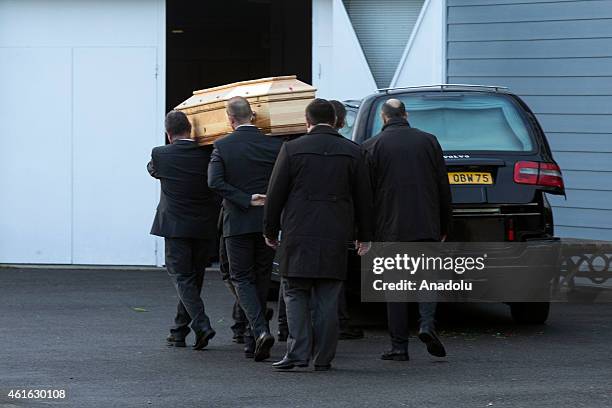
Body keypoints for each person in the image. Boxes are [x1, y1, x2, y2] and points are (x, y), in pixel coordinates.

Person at [264, 98, 373, 371]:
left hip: (298, 231)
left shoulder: (292, 149)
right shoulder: (354, 151)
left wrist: (269, 229)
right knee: (328, 295)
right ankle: (323, 357)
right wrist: (365, 234)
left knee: (295, 292)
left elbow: (275, 195)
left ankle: (297, 353)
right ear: (336, 120)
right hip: (336, 232)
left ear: (307, 120)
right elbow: (364, 197)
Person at [363, 98, 452, 361]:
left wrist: (364, 232)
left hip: (390, 229)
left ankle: (399, 347)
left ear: (383, 117)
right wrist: (445, 224)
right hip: (426, 223)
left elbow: (366, 195)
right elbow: (442, 186)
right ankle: (426, 324)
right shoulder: (428, 141)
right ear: (406, 114)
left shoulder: (371, 146)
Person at [208, 96, 282, 362]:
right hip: (266, 222)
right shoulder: (275, 145)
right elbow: (282, 181)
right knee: (262, 277)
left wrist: (244, 198)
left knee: (241, 278)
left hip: (237, 222)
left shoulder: (222, 146)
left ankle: (260, 331)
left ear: (229, 119)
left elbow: (214, 182)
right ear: (253, 116)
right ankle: (253, 341)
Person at [148, 110, 220, 350]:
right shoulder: (209, 153)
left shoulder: (160, 154)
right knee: (194, 277)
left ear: (169, 134)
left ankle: (201, 324)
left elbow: (153, 169)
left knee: (182, 277)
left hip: (176, 226)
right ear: (191, 129)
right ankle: (179, 331)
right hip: (204, 225)